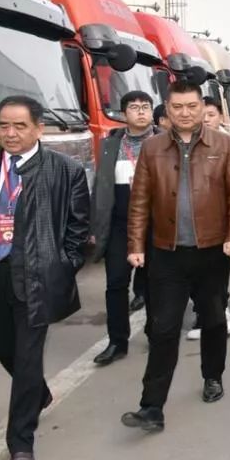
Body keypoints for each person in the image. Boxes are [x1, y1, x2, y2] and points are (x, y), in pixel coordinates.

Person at [120, 81, 230, 433]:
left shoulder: (223, 145)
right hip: (167, 253)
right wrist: (135, 245)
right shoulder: (152, 148)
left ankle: (212, 375)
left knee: (213, 320)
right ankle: (151, 407)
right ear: (168, 109)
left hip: (213, 253)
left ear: (202, 107)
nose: (185, 113)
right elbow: (139, 200)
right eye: (177, 107)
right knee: (163, 327)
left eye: (192, 106)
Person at [0, 96, 89, 460]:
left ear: (39, 128)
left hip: (37, 278)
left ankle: (20, 443)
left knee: (28, 358)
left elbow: (79, 228)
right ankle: (39, 393)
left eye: (20, 126)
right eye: (3, 126)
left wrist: (62, 265)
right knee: (5, 350)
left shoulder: (66, 170)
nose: (10, 134)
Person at [90, 91, 157, 367]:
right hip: (120, 225)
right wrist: (95, 226)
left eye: (146, 107)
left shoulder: (165, 141)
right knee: (116, 283)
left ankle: (156, 334)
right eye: (134, 107)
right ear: (123, 114)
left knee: (155, 283)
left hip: (155, 225)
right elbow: (101, 185)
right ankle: (117, 341)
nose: (141, 112)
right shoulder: (111, 144)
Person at [182, 98, 230, 340]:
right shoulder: (185, 143)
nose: (205, 119)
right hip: (189, 225)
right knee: (193, 273)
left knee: (217, 274)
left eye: (211, 114)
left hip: (221, 224)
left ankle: (220, 315)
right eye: (201, 114)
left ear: (221, 117)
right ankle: (204, 313)